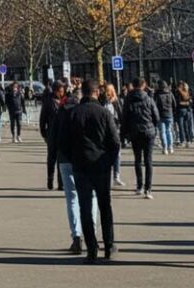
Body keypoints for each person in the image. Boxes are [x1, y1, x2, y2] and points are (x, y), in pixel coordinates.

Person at [61, 77, 120, 264]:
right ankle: (109, 245)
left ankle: (91, 248)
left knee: (84, 207)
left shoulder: (73, 113)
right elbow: (115, 141)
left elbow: (65, 142)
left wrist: (74, 158)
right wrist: (109, 160)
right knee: (105, 206)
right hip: (101, 165)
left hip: (80, 165)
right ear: (97, 92)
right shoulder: (104, 113)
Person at [52, 86, 98, 254]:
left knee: (72, 198)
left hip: (65, 159)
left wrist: (52, 166)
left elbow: (55, 138)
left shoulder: (62, 112)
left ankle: (76, 236)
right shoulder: (88, 112)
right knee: (91, 196)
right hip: (86, 158)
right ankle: (91, 235)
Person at [122, 77, 159, 199]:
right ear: (144, 85)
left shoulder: (128, 99)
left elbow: (124, 118)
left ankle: (139, 186)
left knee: (137, 159)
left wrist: (124, 135)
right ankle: (148, 189)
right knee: (148, 160)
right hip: (148, 131)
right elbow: (156, 116)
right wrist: (152, 126)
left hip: (135, 132)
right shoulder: (149, 99)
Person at [42, 82, 66, 190]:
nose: (62, 93)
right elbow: (42, 120)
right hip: (51, 134)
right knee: (51, 159)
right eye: (60, 91)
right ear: (55, 91)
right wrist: (45, 135)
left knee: (61, 159)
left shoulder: (65, 101)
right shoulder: (48, 102)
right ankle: (50, 180)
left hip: (62, 134)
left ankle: (61, 183)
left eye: (63, 91)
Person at [102, 84, 125, 186]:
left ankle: (116, 176)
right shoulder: (101, 101)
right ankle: (106, 177)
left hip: (115, 130)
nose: (107, 93)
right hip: (104, 131)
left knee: (117, 153)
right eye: (106, 90)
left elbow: (120, 115)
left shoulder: (116, 101)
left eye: (109, 91)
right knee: (105, 154)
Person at [155, 80, 177, 155]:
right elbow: (174, 104)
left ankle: (165, 148)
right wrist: (173, 112)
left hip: (161, 115)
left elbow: (155, 105)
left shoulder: (158, 95)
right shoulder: (170, 93)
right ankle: (170, 147)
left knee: (162, 132)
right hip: (169, 114)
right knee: (169, 131)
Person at [175, 81, 193, 148]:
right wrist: (188, 103)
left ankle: (182, 141)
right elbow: (190, 101)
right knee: (186, 126)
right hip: (187, 110)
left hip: (180, 110)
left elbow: (178, 102)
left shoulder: (178, 92)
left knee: (181, 127)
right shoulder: (186, 92)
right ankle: (188, 141)